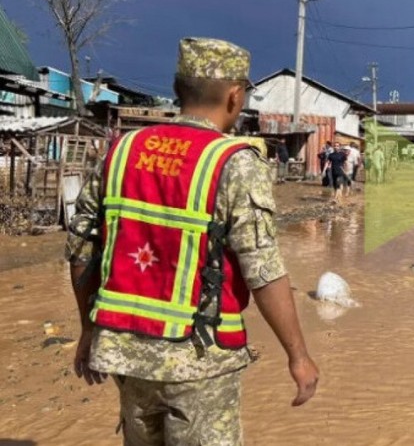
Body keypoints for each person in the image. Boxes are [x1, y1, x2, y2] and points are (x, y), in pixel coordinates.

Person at [65, 37, 319, 444]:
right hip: (201, 361)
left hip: (124, 353)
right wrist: (299, 356)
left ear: (178, 89)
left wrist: (88, 330)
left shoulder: (122, 149)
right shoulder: (234, 163)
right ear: (235, 97)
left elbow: (80, 247)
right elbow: (264, 270)